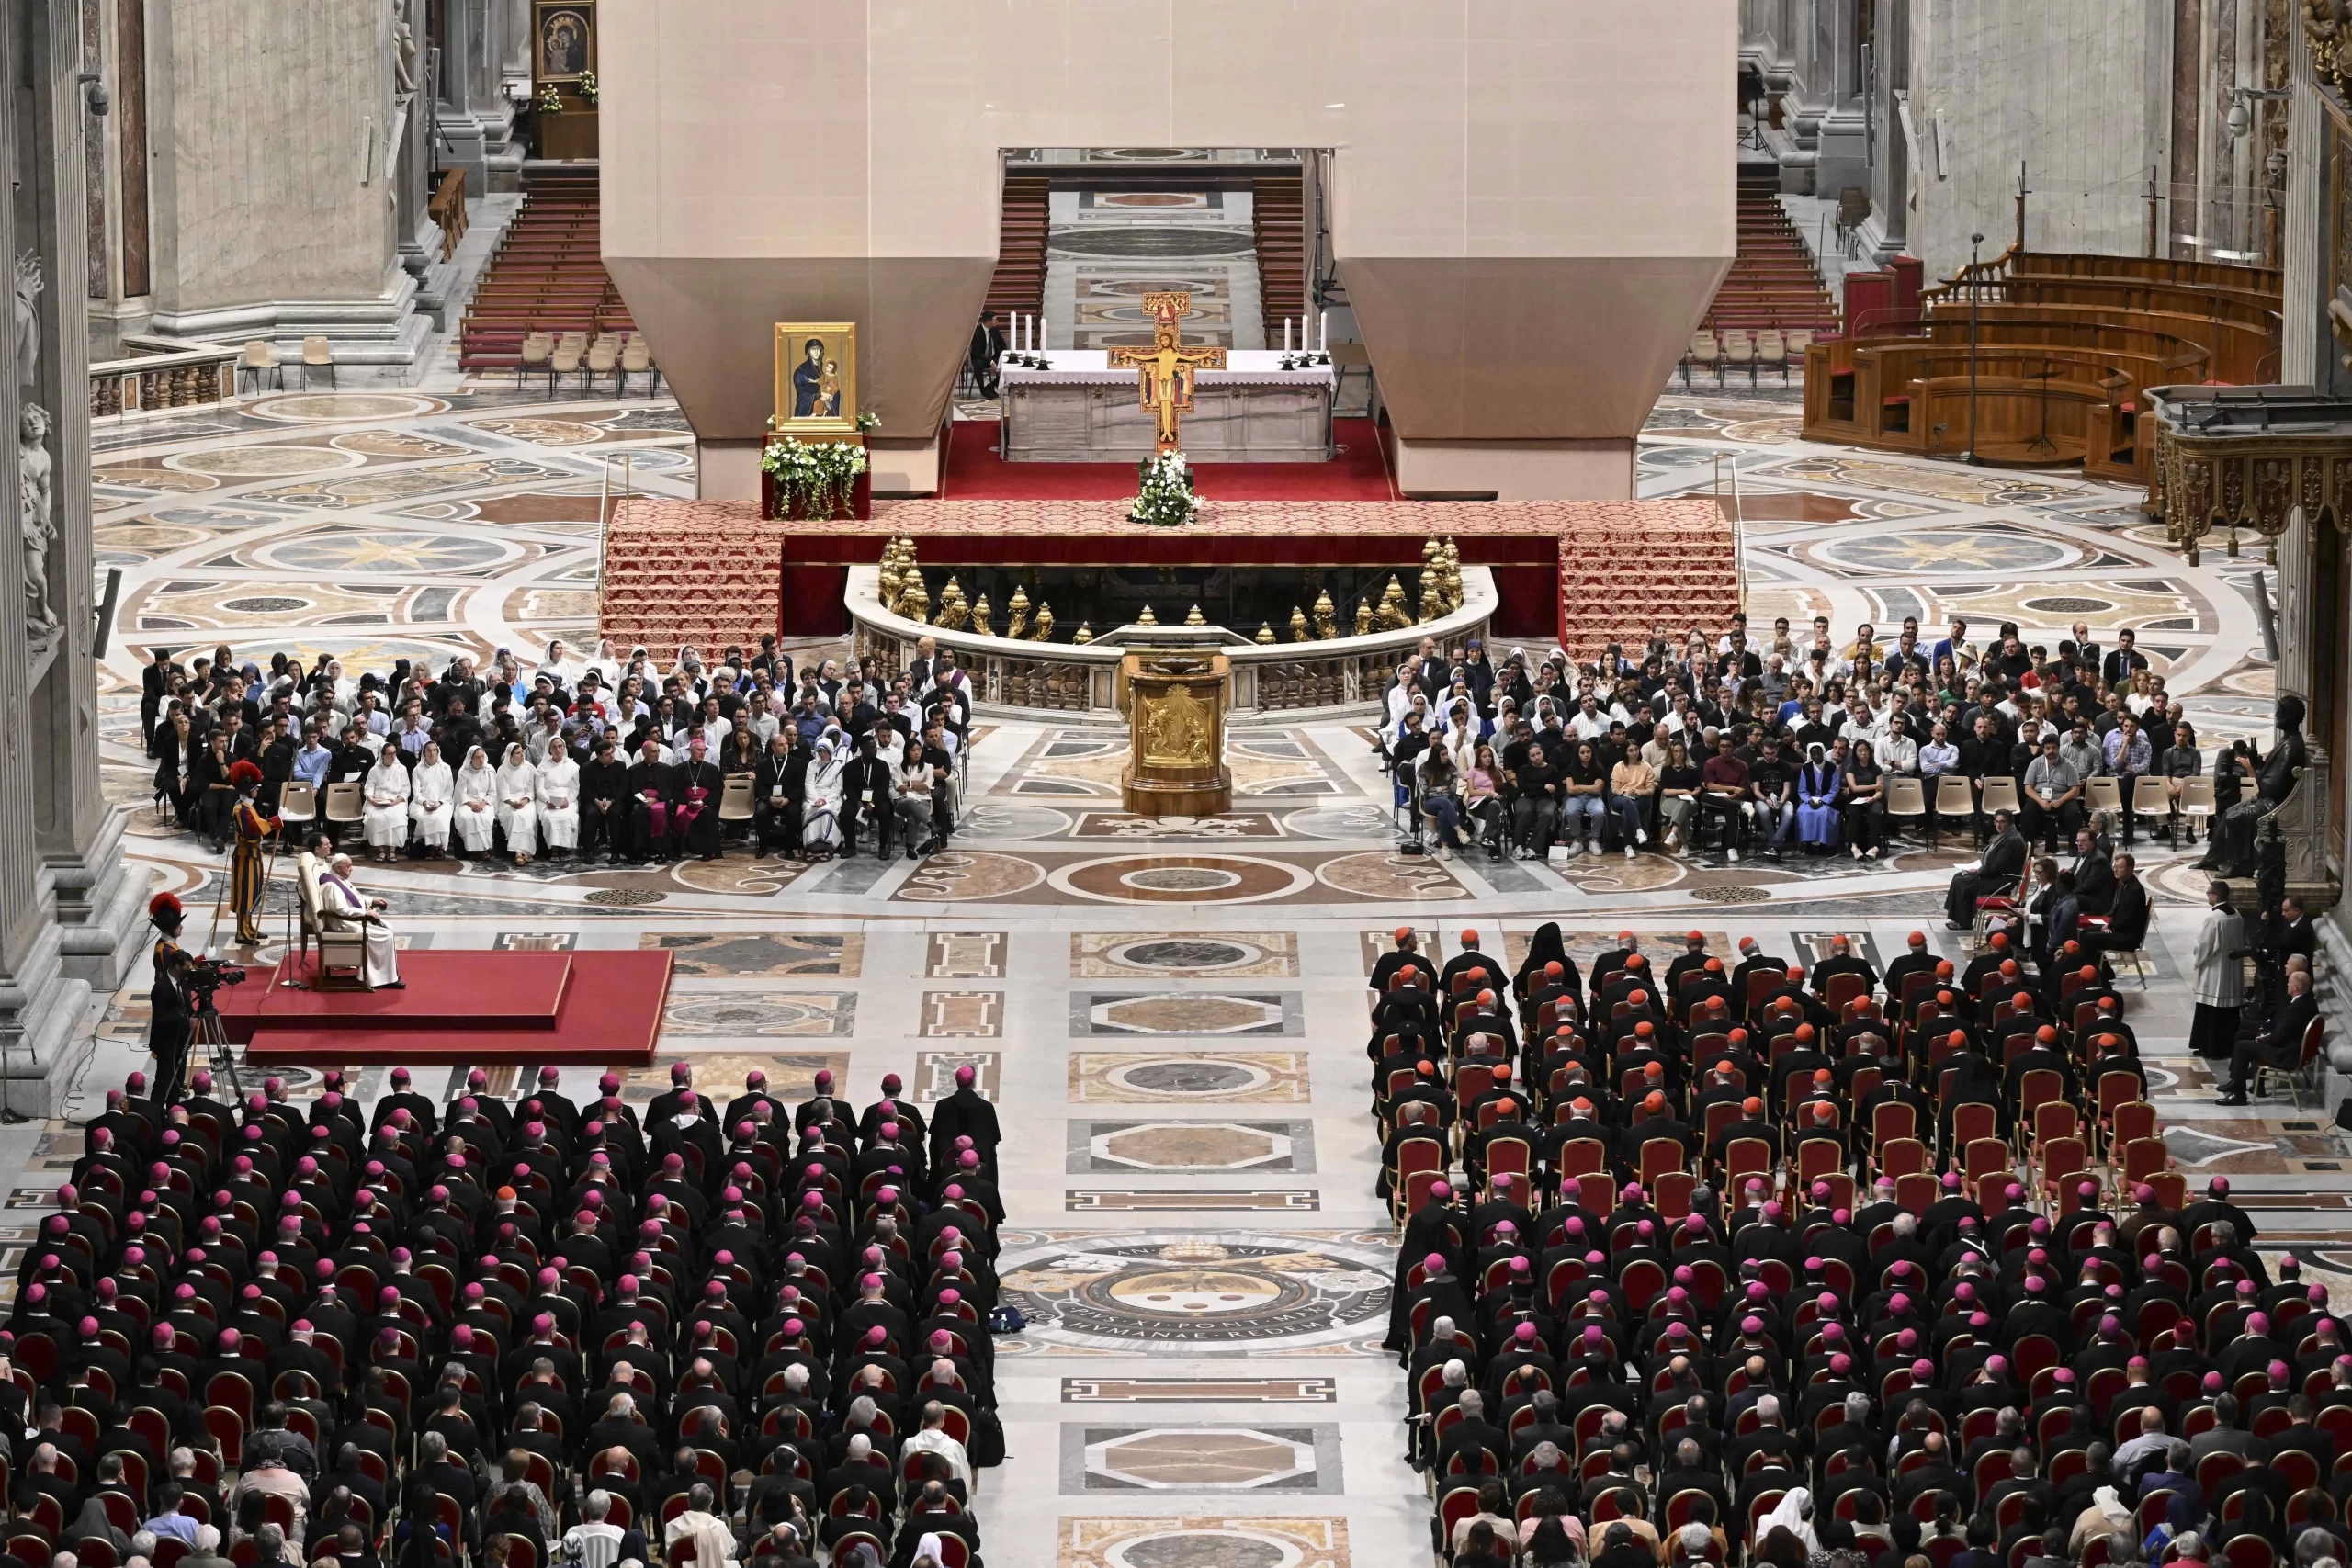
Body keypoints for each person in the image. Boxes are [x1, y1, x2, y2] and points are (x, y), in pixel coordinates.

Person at [2219, 969, 2319, 1104]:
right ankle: (2237, 1083)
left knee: (2243, 1046)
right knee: (2246, 1042)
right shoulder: (2309, 1003)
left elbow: (2278, 1038)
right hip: (2294, 1050)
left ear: (2295, 987)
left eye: (2289, 983)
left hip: (2286, 1055)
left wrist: (2261, 1038)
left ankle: (2239, 1093)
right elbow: (2285, 1031)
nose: (2287, 985)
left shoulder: (2294, 1009)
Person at [315, 853, 401, 990]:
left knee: (388, 928)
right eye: (348, 866)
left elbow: (356, 897)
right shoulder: (331, 885)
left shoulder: (340, 879)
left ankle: (388, 975)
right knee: (384, 935)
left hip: (351, 919)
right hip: (343, 923)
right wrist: (365, 913)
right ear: (338, 868)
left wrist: (372, 900)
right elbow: (341, 910)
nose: (351, 869)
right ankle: (378, 978)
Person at [2188, 879, 2247, 1062]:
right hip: (2232, 968)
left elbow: (2205, 945)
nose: (2207, 896)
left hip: (2215, 970)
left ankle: (2211, 1047)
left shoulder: (2215, 918)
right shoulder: (2236, 914)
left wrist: (2197, 957)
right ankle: (2226, 1045)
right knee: (2228, 1011)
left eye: (2208, 893)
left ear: (2216, 896)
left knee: (2211, 1009)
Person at [146, 891, 193, 1105]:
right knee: (166, 1077)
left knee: (174, 1076)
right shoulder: (165, 951)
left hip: (177, 1015)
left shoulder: (169, 947)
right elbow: (177, 978)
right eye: (179, 924)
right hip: (171, 1015)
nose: (182, 927)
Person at [227, 759, 279, 945]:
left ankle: (248, 926)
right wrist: (275, 822)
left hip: (253, 856)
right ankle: (241, 931)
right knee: (244, 895)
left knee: (253, 893)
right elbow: (251, 832)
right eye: (256, 787)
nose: (258, 789)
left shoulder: (248, 807)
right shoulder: (241, 809)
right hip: (245, 856)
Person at [1945, 808, 2028, 928]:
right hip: (1995, 875)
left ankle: (1963, 923)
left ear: (2010, 822)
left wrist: (1978, 871)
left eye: (2002, 822)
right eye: (1997, 822)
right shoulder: (2006, 835)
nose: (1999, 825)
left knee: (1962, 881)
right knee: (1959, 876)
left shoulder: (2012, 840)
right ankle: (1958, 919)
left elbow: (1998, 865)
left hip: (2001, 880)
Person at [359, 749, 410, 863]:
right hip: (377, 801)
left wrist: (394, 802)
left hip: (396, 801)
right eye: (389, 754)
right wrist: (373, 801)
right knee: (375, 817)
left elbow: (406, 790)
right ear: (383, 756)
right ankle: (381, 850)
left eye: (394, 753)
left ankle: (392, 850)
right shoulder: (374, 770)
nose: (393, 756)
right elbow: (368, 789)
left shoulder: (402, 769)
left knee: (396, 816)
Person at [494, 743, 540, 863]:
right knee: (516, 816)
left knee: (526, 815)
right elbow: (503, 793)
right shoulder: (502, 770)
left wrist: (523, 802)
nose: (522, 755)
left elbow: (531, 791)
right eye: (518, 753)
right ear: (510, 755)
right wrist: (513, 803)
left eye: (522, 752)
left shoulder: (529, 768)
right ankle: (520, 852)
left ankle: (523, 852)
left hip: (526, 800)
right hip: (507, 802)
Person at [537, 742, 581, 859]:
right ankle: (554, 848)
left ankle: (564, 847)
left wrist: (568, 800)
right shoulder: (542, 767)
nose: (558, 749)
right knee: (549, 817)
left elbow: (575, 788)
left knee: (567, 816)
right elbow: (540, 788)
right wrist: (547, 800)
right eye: (554, 747)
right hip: (547, 798)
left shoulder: (573, 766)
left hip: (567, 799)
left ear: (564, 748)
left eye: (560, 746)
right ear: (549, 749)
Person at [408, 741, 453, 856]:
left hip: (443, 802)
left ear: (438, 752)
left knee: (439, 817)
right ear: (424, 753)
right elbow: (416, 793)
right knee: (423, 817)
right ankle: (430, 846)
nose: (432, 753)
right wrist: (424, 803)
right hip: (420, 802)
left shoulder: (446, 768)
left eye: (434, 750)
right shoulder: (417, 770)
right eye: (429, 750)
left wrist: (439, 803)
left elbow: (449, 791)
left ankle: (440, 847)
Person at [454, 745, 497, 856]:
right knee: (466, 817)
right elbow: (461, 793)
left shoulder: (489, 770)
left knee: (484, 817)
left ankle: (483, 849)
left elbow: (492, 793)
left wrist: (482, 804)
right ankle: (470, 849)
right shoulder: (464, 771)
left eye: (482, 756)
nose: (481, 760)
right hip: (467, 802)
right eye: (478, 757)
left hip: (485, 802)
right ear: (471, 758)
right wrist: (471, 804)